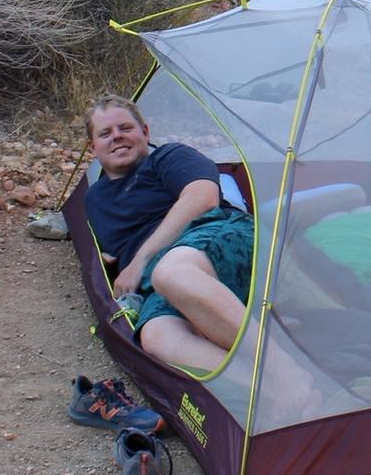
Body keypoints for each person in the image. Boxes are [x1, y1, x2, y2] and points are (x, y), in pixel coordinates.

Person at [83, 93, 252, 374]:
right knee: (157, 336)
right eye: (105, 133)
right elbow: (112, 250)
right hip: (156, 279)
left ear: (145, 132)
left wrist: (139, 260)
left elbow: (203, 198)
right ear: (93, 147)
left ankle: (287, 371)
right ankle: (269, 392)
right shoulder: (94, 198)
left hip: (214, 235)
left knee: (173, 273)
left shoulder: (168, 157)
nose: (117, 137)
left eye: (125, 128)